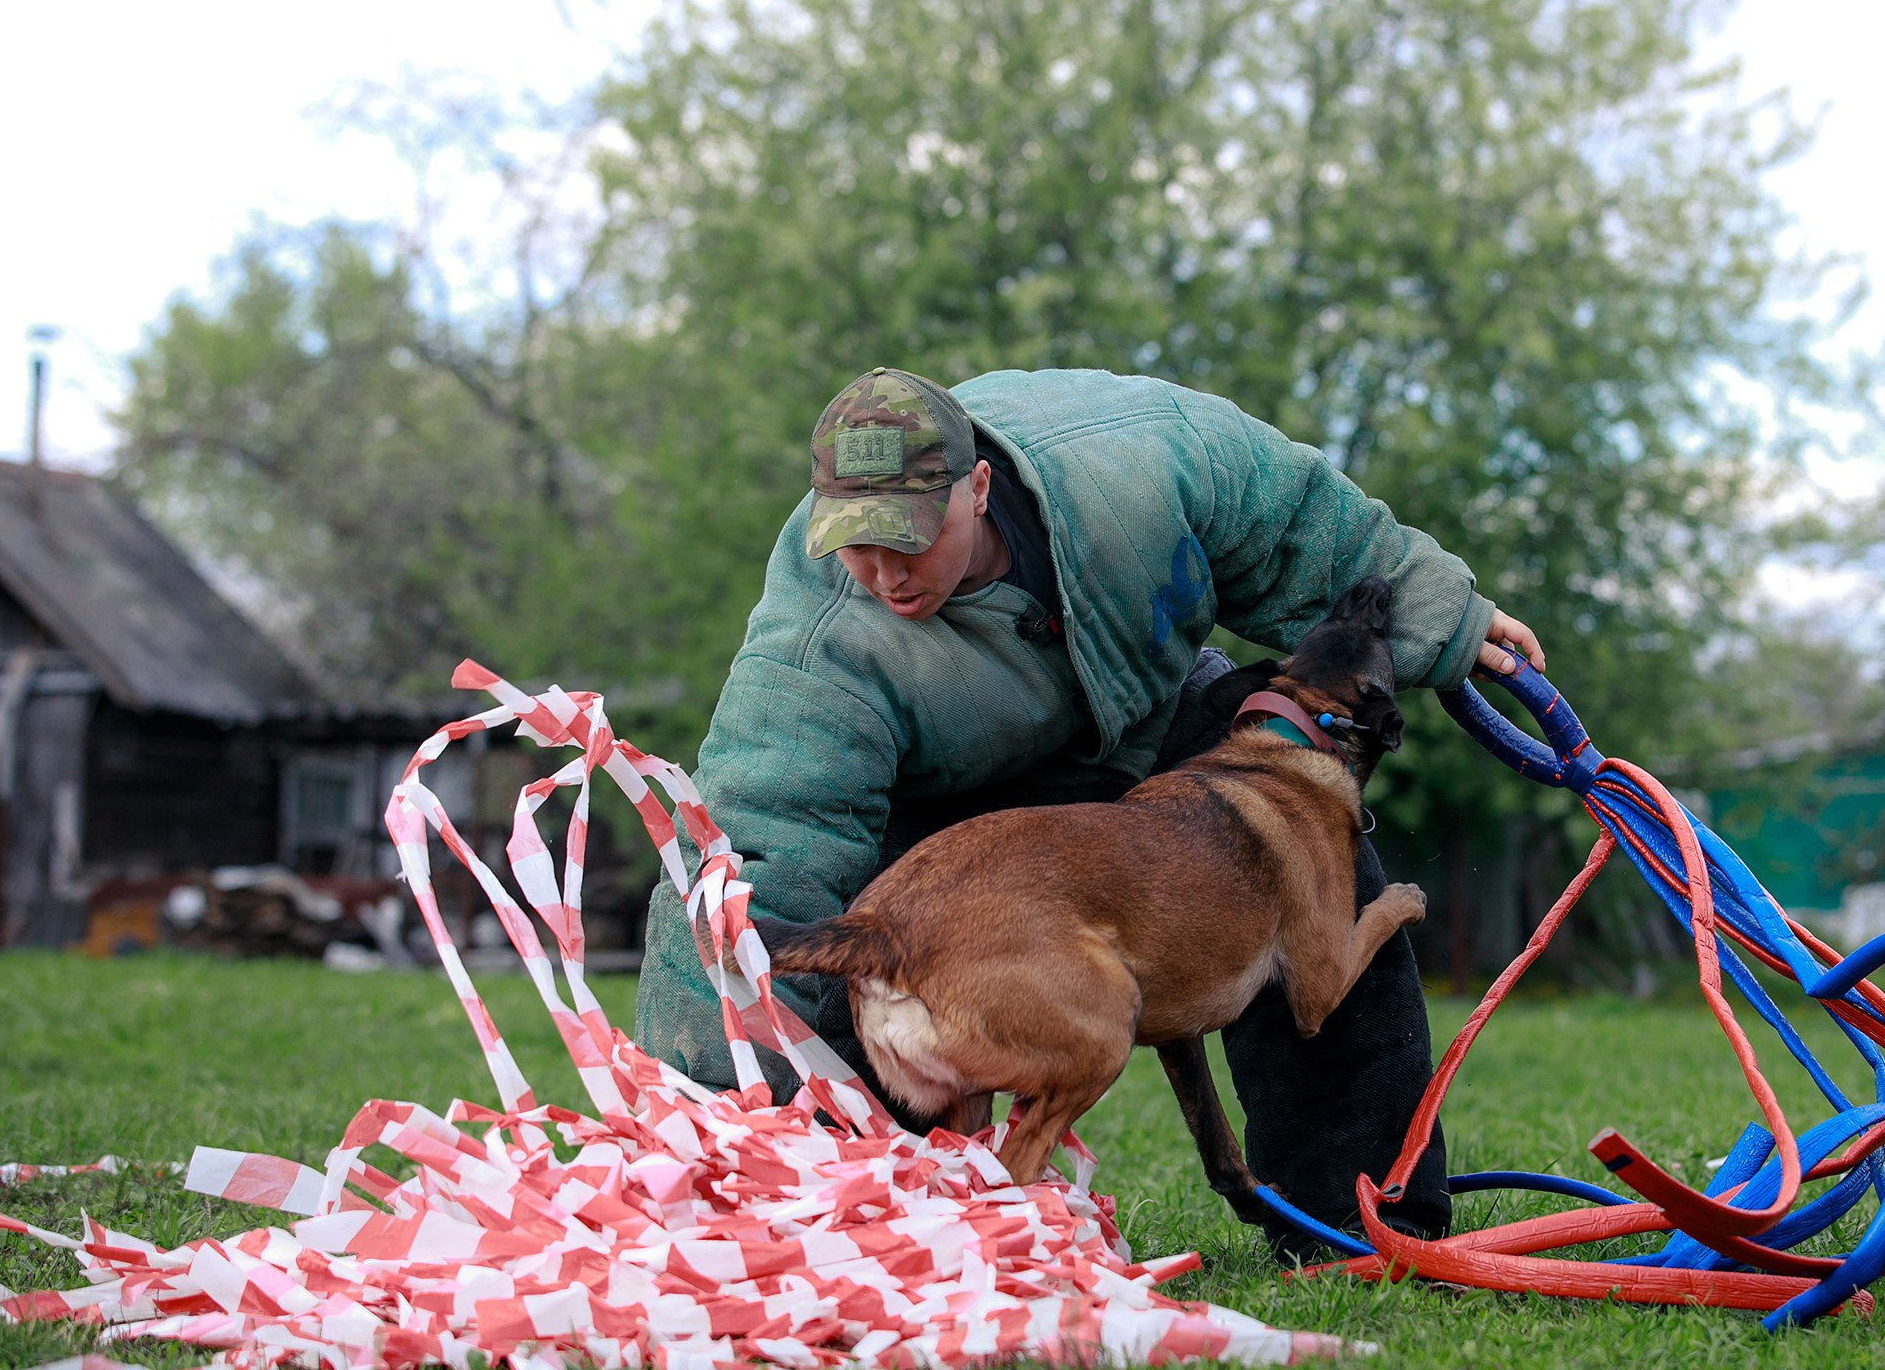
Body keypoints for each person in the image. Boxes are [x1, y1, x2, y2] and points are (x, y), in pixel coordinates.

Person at [635, 366, 1546, 1253]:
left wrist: (1452, 617)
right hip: (953, 811)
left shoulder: (1137, 466)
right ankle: (906, 1217)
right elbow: (755, 853)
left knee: (1312, 846)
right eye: (855, 540)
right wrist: (705, 1140)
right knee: (877, 952)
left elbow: (1295, 517)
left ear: (980, 486)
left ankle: (1360, 1217)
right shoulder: (816, 649)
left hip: (1142, 721)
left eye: (909, 534)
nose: (883, 570)